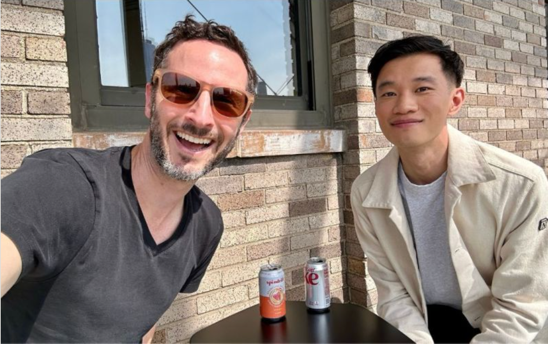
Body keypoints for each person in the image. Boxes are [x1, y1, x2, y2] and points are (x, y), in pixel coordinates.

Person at [1, 15, 257, 343]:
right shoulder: (64, 185)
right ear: (151, 99)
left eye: (226, 101)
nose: (202, 117)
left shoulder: (205, 225)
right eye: (181, 88)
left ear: (242, 122)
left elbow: (140, 320)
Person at [351, 35, 548, 343]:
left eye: (422, 89)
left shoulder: (521, 184)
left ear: (455, 100)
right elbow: (393, 293)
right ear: (375, 105)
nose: (403, 105)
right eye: (388, 93)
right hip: (426, 328)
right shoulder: (366, 192)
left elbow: (521, 304)